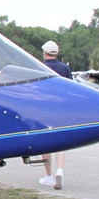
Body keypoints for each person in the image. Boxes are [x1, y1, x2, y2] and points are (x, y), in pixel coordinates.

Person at [39, 40, 72, 190]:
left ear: (45, 53)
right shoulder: (65, 68)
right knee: (61, 141)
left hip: (44, 109)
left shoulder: (39, 67)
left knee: (45, 142)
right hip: (61, 108)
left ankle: (48, 176)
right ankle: (60, 170)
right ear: (56, 53)